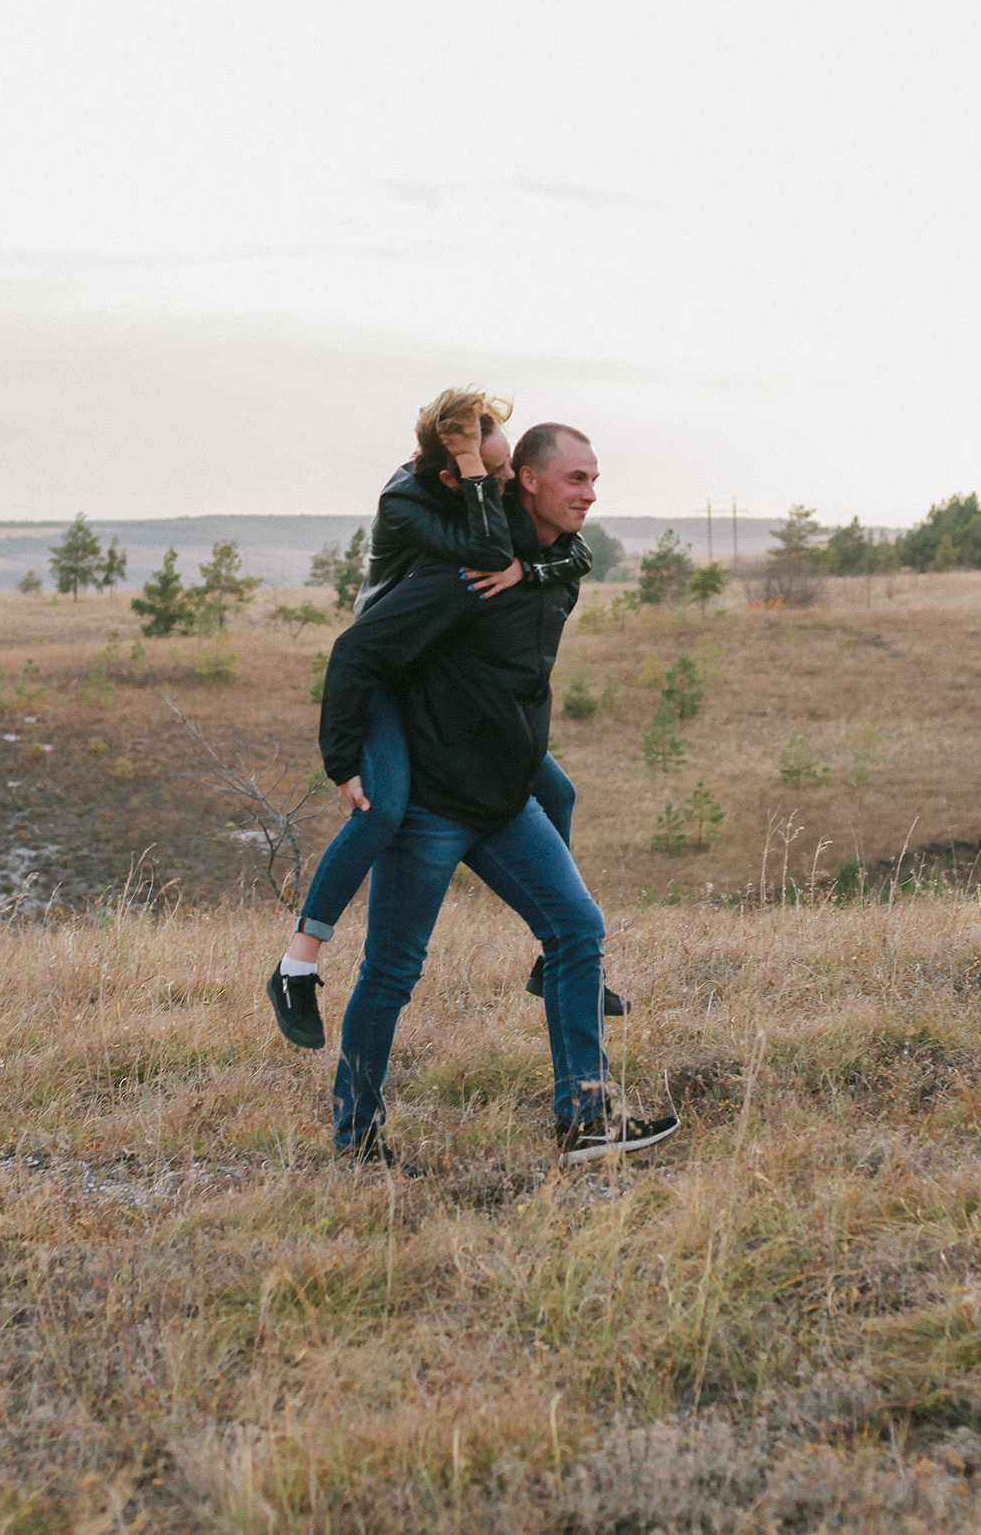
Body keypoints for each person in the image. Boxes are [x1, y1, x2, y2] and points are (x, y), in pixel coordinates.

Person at [314, 422, 679, 1165]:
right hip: (430, 808)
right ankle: (355, 1138)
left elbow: (558, 573)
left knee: (577, 929)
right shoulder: (471, 567)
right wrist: (347, 759)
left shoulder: (559, 565)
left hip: (508, 801)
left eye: (595, 478)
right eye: (576, 479)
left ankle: (584, 1120)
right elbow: (358, 648)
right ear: (529, 481)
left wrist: (535, 571)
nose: (591, 492)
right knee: (392, 970)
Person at [265, 388, 620, 1053]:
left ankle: (558, 954)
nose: (511, 481)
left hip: (428, 676)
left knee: (558, 791)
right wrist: (341, 760)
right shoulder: (407, 504)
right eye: (497, 472)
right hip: (387, 680)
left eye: (512, 467)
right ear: (453, 474)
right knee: (384, 807)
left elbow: (565, 552)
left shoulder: (476, 490)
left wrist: (532, 565)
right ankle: (298, 962)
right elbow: (482, 557)